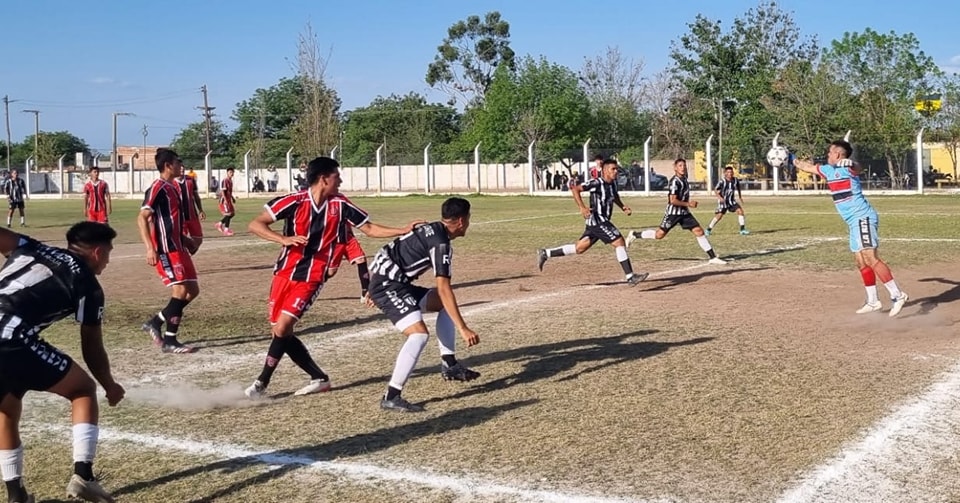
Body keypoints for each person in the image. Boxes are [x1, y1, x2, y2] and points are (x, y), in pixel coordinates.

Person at [244, 157, 421, 399]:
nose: (340, 180)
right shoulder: (294, 201)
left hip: (312, 277)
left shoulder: (340, 204)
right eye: (337, 176)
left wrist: (402, 230)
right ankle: (319, 378)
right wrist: (283, 239)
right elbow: (255, 224)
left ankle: (260, 384)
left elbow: (368, 229)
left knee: (283, 326)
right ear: (324, 178)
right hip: (284, 273)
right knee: (279, 331)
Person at [0, 221, 125, 503]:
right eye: (108, 253)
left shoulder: (30, 247)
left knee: (6, 407)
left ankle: (16, 494)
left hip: (7, 336)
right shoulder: (88, 285)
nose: (108, 260)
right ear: (96, 252)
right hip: (11, 337)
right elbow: (91, 347)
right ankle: (84, 476)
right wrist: (109, 385)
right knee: (82, 389)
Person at [368, 197, 480, 412]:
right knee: (419, 334)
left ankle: (450, 365)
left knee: (442, 303)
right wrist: (463, 328)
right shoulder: (441, 245)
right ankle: (392, 396)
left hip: (390, 282)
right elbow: (444, 286)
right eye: (469, 217)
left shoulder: (433, 228)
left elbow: (391, 251)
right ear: (461, 221)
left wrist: (373, 282)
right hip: (388, 286)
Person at [794, 140, 909, 316]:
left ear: (838, 155)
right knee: (860, 261)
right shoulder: (827, 170)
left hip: (863, 217)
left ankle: (897, 295)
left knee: (870, 257)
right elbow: (806, 167)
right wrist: (788, 157)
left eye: (830, 153)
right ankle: (872, 301)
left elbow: (858, 168)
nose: (828, 155)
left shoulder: (848, 168)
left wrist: (852, 162)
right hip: (852, 222)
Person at [538, 159, 648, 286]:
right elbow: (575, 189)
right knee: (619, 242)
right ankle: (630, 277)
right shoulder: (596, 182)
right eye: (613, 169)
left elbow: (614, 196)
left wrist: (622, 206)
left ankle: (545, 253)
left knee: (579, 248)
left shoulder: (612, 184)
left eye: (617, 169)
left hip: (600, 221)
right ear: (605, 170)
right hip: (597, 220)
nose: (616, 171)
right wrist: (582, 207)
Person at [137, 148, 199, 354]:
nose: (181, 166)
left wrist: (185, 239)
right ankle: (170, 340)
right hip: (166, 249)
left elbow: (171, 221)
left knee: (192, 291)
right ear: (167, 165)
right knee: (180, 291)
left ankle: (156, 321)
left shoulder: (173, 188)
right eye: (178, 162)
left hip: (179, 247)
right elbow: (143, 217)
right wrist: (150, 248)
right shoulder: (158, 187)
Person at [625, 158, 726, 264]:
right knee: (659, 235)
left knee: (699, 231)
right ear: (675, 168)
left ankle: (712, 257)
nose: (683, 168)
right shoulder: (674, 182)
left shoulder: (684, 179)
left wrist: (687, 206)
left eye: (684, 166)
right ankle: (635, 235)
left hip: (684, 213)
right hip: (673, 214)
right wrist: (688, 204)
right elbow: (672, 200)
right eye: (680, 166)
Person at [326, 223, 371, 304]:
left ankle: (366, 292)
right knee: (331, 272)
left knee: (361, 259)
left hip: (348, 238)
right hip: (335, 241)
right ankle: (310, 284)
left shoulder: (346, 209)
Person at [706, 166, 749, 236]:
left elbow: (738, 188)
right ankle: (708, 230)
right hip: (723, 201)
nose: (730, 174)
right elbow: (716, 190)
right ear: (725, 173)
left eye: (731, 172)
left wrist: (740, 197)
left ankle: (742, 230)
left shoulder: (735, 180)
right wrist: (720, 198)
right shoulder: (722, 181)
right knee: (719, 216)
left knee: (740, 211)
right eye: (728, 172)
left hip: (731, 201)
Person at [177, 168, 206, 253]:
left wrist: (200, 210)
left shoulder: (190, 180)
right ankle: (182, 259)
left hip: (192, 215)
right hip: (179, 217)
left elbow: (196, 196)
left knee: (198, 239)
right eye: (179, 167)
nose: (181, 169)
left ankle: (186, 255)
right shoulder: (171, 182)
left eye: (183, 167)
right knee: (181, 240)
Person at [215, 168, 236, 236]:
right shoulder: (225, 180)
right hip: (224, 200)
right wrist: (226, 200)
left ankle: (220, 224)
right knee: (228, 214)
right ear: (227, 173)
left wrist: (232, 198)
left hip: (229, 199)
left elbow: (229, 191)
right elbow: (223, 191)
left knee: (232, 214)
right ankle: (226, 230)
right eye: (230, 172)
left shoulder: (231, 181)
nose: (231, 174)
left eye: (232, 172)